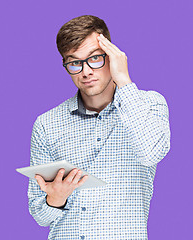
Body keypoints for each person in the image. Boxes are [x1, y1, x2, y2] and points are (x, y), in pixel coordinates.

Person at [28, 15, 171, 240]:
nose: (86, 71)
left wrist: (123, 79)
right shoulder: (46, 124)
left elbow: (151, 152)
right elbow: (39, 214)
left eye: (95, 58)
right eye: (74, 62)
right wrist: (55, 199)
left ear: (112, 55)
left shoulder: (149, 104)